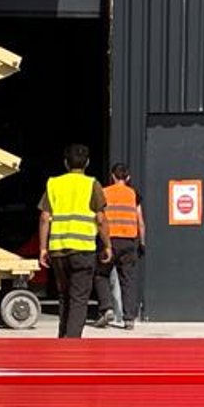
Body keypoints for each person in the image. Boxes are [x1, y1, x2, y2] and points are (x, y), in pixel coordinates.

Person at [39, 144, 106, 338]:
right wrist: (107, 245)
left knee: (64, 297)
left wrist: (43, 249)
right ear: (87, 163)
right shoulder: (92, 184)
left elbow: (44, 217)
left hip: (58, 250)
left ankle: (63, 339)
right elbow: (101, 219)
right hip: (83, 250)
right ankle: (71, 345)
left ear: (66, 163)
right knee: (78, 299)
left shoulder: (53, 184)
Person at [99, 163, 145, 326]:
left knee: (100, 274)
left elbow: (99, 218)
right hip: (128, 241)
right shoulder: (133, 194)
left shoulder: (104, 193)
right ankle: (129, 319)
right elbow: (140, 221)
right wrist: (142, 243)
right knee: (128, 280)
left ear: (112, 176)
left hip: (109, 241)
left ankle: (106, 308)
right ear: (128, 178)